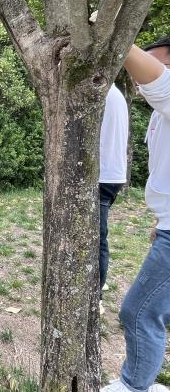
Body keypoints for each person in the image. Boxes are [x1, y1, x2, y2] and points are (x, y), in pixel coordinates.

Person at [102, 38, 170, 392]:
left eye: (158, 63)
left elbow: (161, 85)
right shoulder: (159, 115)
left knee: (139, 311)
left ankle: (134, 385)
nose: (142, 75)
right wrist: (162, 219)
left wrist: (116, 34)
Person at [98, 84, 129, 314]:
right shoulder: (115, 93)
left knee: (96, 238)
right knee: (97, 236)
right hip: (112, 174)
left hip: (102, 175)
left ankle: (95, 294)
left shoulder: (100, 93)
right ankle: (99, 281)